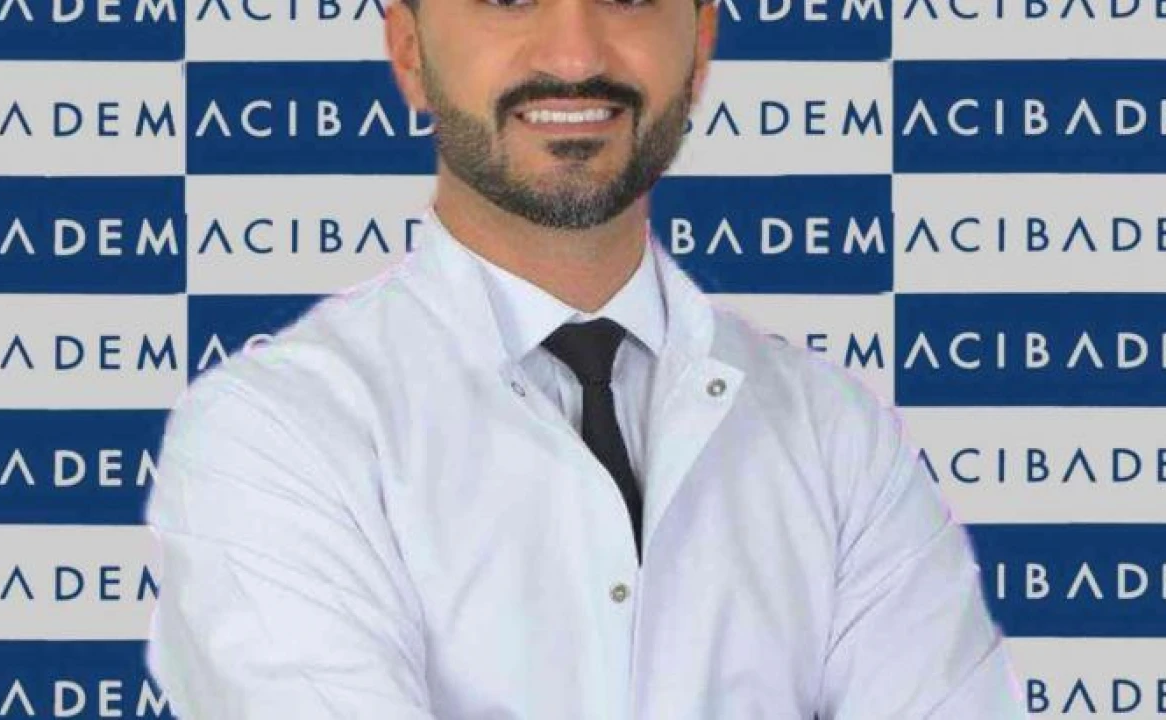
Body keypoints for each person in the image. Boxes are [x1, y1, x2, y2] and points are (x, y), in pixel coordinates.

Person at [144, 0, 1026, 716]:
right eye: (507, 0)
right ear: (409, 51)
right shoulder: (273, 432)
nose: (574, 55)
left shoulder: (838, 437)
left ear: (700, 47)